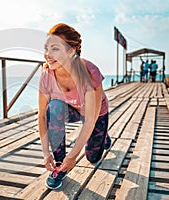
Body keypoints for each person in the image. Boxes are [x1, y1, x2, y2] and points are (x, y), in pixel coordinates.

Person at [38, 23, 111, 190]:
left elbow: (90, 119)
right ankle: (59, 166)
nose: (48, 55)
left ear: (71, 51)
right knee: (54, 107)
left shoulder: (90, 72)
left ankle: (103, 136)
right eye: (46, 48)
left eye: (55, 49)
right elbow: (42, 116)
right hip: (72, 110)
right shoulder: (46, 75)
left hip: (95, 114)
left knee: (92, 158)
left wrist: (74, 156)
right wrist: (46, 153)